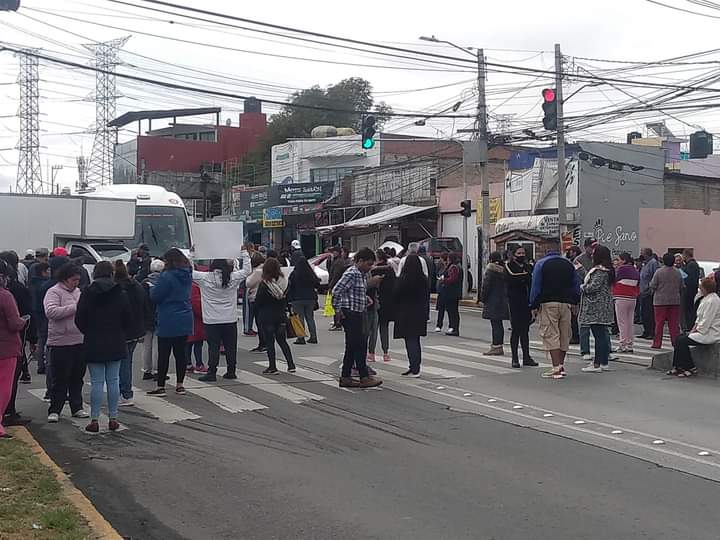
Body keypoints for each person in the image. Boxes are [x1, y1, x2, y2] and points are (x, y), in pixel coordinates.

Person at [75, 261, 132, 433]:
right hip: (115, 339)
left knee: (97, 382)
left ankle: (94, 419)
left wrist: (89, 331)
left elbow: (79, 318)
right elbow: (128, 318)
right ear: (111, 274)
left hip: (94, 339)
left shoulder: (87, 293)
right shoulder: (120, 292)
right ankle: (113, 417)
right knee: (113, 380)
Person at [193, 256, 251, 382]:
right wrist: (245, 254)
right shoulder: (232, 278)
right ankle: (231, 371)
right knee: (231, 346)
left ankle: (212, 372)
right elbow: (247, 270)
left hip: (211, 320)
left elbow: (189, 271)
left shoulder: (204, 278)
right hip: (229, 318)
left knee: (213, 347)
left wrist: (192, 255)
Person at [332, 248, 383, 388]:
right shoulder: (352, 273)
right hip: (351, 313)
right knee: (359, 345)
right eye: (368, 264)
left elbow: (353, 292)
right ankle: (363, 377)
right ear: (360, 261)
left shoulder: (360, 274)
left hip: (357, 311)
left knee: (353, 346)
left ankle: (346, 376)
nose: (370, 267)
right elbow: (337, 290)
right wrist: (337, 310)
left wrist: (365, 298)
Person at [44, 263, 88, 422]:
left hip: (79, 340)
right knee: (60, 378)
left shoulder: (78, 292)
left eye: (78, 280)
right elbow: (51, 312)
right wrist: (74, 307)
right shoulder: (53, 292)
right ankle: (55, 409)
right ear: (65, 278)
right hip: (60, 342)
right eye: (73, 279)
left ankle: (77, 407)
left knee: (77, 377)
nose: (76, 282)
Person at [529, 250, 581, 379]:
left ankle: (556, 367)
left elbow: (536, 285)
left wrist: (533, 304)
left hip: (548, 302)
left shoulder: (541, 263)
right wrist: (575, 301)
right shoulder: (568, 264)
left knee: (551, 334)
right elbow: (576, 283)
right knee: (564, 334)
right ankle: (561, 365)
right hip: (566, 303)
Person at [148, 248, 192, 397]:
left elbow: (156, 296)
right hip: (185, 315)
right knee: (181, 354)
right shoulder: (188, 273)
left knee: (164, 354)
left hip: (168, 317)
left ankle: (161, 386)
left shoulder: (166, 276)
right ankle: (180, 385)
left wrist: (151, 289)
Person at [669, 277, 720, 377]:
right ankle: (677, 366)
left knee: (682, 341)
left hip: (710, 332)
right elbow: (699, 318)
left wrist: (696, 330)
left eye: (701, 288)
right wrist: (693, 329)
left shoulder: (713, 301)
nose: (700, 290)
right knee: (678, 338)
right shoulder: (707, 299)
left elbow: (707, 320)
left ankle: (689, 367)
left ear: (706, 289)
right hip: (703, 330)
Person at [0, 259, 28, 440]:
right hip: (5, 348)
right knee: (3, 388)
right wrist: (24, 320)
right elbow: (13, 323)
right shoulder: (5, 296)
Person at [113, 261, 146, 407]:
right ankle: (125, 391)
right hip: (135, 329)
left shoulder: (115, 289)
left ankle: (125, 392)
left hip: (121, 330)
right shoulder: (136, 285)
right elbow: (143, 305)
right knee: (127, 362)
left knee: (121, 363)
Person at [578, 245, 616, 373]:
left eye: (594, 253)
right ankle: (603, 362)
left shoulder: (600, 271)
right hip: (602, 306)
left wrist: (582, 287)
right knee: (602, 335)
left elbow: (594, 287)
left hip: (596, 307)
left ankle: (597, 363)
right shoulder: (608, 270)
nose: (592, 255)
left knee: (599, 335)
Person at [255, 257, 295, 375]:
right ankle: (291, 364)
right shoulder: (286, 282)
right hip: (281, 314)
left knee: (270, 342)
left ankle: (272, 366)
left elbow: (258, 302)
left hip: (267, 315)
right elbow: (288, 299)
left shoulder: (265, 284)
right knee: (282, 341)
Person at [393, 254, 428, 377]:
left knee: (410, 340)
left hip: (405, 312)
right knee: (415, 340)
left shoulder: (402, 279)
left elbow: (396, 294)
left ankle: (414, 367)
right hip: (419, 312)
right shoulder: (423, 279)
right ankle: (414, 366)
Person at [504, 246, 537, 368]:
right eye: (519, 253)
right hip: (514, 302)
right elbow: (512, 279)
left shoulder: (528, 266)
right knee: (516, 330)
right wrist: (525, 277)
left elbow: (532, 279)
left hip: (526, 301)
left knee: (525, 331)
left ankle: (527, 357)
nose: (521, 255)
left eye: (523, 253)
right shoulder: (509, 266)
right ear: (513, 255)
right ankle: (514, 358)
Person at [649, 253, 684, 349]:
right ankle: (675, 342)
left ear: (663, 261)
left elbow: (653, 285)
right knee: (674, 323)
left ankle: (657, 343)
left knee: (659, 323)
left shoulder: (659, 272)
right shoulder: (678, 272)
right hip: (674, 301)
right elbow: (682, 286)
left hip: (660, 301)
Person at [288, 256, 321, 345]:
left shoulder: (294, 274)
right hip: (310, 298)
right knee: (310, 318)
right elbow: (317, 283)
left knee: (300, 318)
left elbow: (290, 287)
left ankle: (301, 337)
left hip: (297, 298)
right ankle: (313, 337)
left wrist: (289, 300)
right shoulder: (310, 273)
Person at [369, 250, 396, 362]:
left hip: (375, 301)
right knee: (384, 328)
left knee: (373, 330)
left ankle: (371, 353)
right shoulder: (390, 270)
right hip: (388, 303)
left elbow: (370, 287)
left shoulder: (373, 271)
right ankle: (386, 353)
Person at [481, 251, 509, 356]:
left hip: (493, 300)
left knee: (495, 324)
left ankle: (496, 346)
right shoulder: (505, 270)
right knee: (499, 324)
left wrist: (482, 298)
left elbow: (486, 286)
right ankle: (498, 345)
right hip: (503, 300)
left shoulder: (491, 270)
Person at [141, 259, 164, 381]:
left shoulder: (144, 283)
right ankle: (157, 370)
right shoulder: (163, 282)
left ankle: (146, 370)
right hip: (159, 315)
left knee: (146, 345)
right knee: (157, 345)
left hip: (146, 316)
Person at [613, 252, 640, 354]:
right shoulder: (635, 270)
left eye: (619, 260)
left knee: (622, 322)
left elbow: (614, 279)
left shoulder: (621, 269)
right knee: (629, 321)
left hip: (621, 296)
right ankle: (630, 344)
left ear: (623, 260)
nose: (618, 262)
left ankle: (622, 344)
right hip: (632, 297)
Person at [28, 261, 50, 375]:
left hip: (36, 312)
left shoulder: (32, 282)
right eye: (48, 271)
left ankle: (40, 364)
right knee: (45, 339)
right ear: (43, 272)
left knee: (41, 339)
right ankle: (44, 364)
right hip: (43, 313)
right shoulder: (44, 284)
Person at [245, 252, 267, 353]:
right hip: (263, 298)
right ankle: (264, 343)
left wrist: (249, 275)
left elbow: (248, 283)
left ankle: (263, 343)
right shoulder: (265, 269)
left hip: (255, 297)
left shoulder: (258, 271)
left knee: (260, 322)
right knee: (262, 322)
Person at [638, 248, 660, 340]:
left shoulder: (653, 263)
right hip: (642, 291)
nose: (641, 254)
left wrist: (650, 288)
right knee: (643, 313)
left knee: (649, 313)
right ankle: (646, 331)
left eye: (642, 253)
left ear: (647, 254)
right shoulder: (645, 263)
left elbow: (655, 276)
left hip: (649, 292)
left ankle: (651, 332)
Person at [328, 246, 351, 331]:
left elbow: (335, 275)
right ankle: (337, 322)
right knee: (336, 305)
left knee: (336, 305)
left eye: (334, 252)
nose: (333, 253)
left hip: (336, 285)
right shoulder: (336, 261)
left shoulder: (339, 262)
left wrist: (330, 285)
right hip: (336, 284)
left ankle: (338, 323)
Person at [186, 281, 207, 374]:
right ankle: (199, 364)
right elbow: (196, 304)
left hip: (186, 318)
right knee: (198, 343)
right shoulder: (193, 287)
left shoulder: (181, 284)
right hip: (195, 321)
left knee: (187, 344)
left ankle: (188, 364)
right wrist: (204, 315)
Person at [442, 253, 463, 337]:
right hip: (454, 292)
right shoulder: (458, 266)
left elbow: (452, 279)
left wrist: (444, 280)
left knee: (452, 311)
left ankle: (454, 328)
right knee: (453, 311)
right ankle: (453, 328)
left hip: (451, 292)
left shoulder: (454, 267)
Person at [682, 248, 701, 330]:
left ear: (686, 255)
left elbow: (689, 278)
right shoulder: (691, 264)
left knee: (688, 310)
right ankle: (688, 326)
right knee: (688, 310)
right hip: (691, 290)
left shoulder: (691, 265)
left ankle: (689, 326)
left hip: (689, 291)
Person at [434, 253, 449, 332]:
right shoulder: (442, 264)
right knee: (444, 309)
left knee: (442, 309)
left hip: (443, 288)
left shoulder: (445, 266)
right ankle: (447, 326)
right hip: (443, 289)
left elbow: (437, 274)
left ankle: (439, 325)